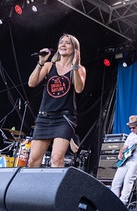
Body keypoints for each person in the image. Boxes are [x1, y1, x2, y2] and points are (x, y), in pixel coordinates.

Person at [27, 33, 86, 167]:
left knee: (56, 159)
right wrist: (40, 63)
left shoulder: (79, 69)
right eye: (61, 42)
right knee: (33, 161)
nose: (63, 45)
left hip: (64, 118)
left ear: (75, 48)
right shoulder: (49, 66)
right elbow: (31, 83)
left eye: (67, 42)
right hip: (44, 117)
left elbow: (78, 89)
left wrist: (75, 67)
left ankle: (54, 188)